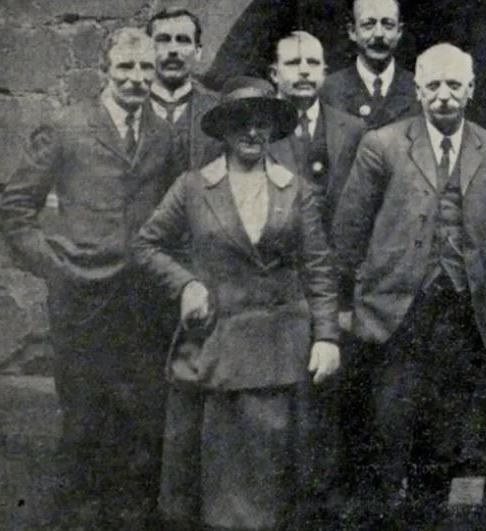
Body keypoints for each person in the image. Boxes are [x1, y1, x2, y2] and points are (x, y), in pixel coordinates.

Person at [133, 76, 343, 530]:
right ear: (224, 130)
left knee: (278, 484)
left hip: (282, 353)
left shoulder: (297, 189)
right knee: (218, 485)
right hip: (217, 350)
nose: (253, 133)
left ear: (274, 129)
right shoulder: (192, 187)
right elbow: (147, 245)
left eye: (263, 123)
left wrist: (326, 336)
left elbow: (319, 268)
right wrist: (186, 284)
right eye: (242, 123)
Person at [0, 27, 182, 528]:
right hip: (82, 302)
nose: (137, 78)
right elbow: (16, 208)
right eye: (126, 68)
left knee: (143, 426)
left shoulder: (164, 135)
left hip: (143, 304)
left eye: (146, 69)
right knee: (83, 422)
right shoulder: (66, 125)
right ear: (104, 71)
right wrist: (55, 268)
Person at [333, 42, 486, 526]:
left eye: (454, 84)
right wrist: (344, 304)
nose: (443, 95)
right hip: (395, 309)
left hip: (462, 310)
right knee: (389, 425)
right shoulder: (383, 144)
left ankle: (429, 519)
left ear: (471, 90)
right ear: (416, 90)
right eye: (432, 85)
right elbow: (350, 230)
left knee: (444, 428)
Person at [268, 30, 366, 230]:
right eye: (293, 62)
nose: (304, 71)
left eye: (313, 63)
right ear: (274, 74)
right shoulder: (257, 127)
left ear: (324, 72)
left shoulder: (353, 129)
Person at [321, 0, 421, 128]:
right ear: (352, 31)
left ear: (399, 31)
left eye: (388, 25)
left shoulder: (417, 87)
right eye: (368, 24)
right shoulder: (329, 90)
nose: (379, 34)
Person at [147, 7, 222, 169]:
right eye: (163, 39)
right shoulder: (126, 107)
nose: (173, 50)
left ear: (198, 52)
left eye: (183, 40)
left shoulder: (219, 109)